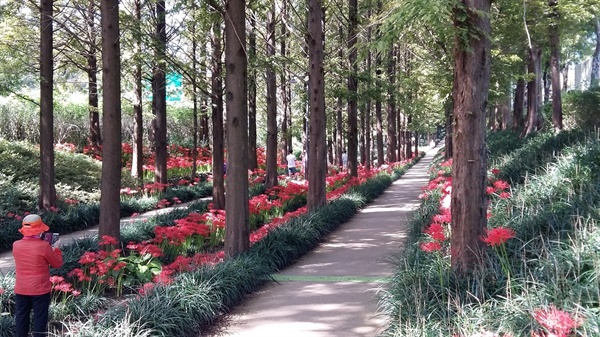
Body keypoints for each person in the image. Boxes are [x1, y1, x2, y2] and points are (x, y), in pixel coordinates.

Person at [12, 214, 63, 337]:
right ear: (39, 229)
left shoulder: (16, 245)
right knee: (40, 317)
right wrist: (56, 249)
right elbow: (57, 264)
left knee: (21, 315)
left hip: (21, 287)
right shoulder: (44, 246)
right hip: (40, 289)